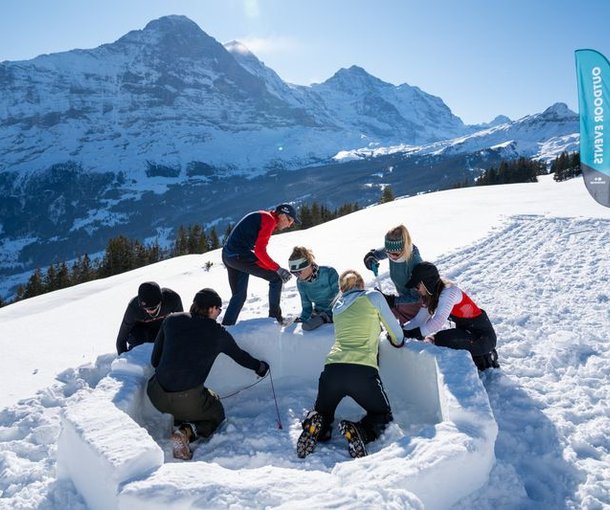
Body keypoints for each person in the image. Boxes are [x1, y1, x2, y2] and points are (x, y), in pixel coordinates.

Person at [147, 288, 270, 460]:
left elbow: (155, 361)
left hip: (155, 394)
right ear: (211, 309)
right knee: (216, 411)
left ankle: (179, 418)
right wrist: (260, 367)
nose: (219, 313)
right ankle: (185, 432)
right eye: (219, 309)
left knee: (191, 396)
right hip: (187, 400)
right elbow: (240, 356)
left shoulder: (171, 319)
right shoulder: (217, 333)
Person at [296, 270, 404, 459]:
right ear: (361, 284)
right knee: (381, 414)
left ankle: (317, 426)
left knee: (323, 412)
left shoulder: (337, 306)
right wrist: (397, 340)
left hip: (332, 370)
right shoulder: (373, 296)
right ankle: (360, 431)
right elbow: (397, 334)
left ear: (341, 289)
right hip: (362, 372)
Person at [402, 262, 499, 371]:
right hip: (467, 331)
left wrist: (415, 333)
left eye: (417, 285)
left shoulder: (449, 292)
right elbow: (420, 320)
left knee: (443, 339)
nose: (416, 289)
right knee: (439, 338)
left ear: (427, 282)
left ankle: (486, 355)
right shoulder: (430, 295)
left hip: (483, 337)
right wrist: (402, 330)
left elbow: (438, 322)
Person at [221, 203, 299, 326]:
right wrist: (278, 269)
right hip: (239, 255)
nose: (290, 225)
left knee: (239, 296)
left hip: (229, 255)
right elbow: (259, 251)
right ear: (283, 216)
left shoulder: (265, 217)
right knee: (276, 278)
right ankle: (276, 319)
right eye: (290, 221)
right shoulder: (269, 220)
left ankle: (226, 327)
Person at [363, 224, 423, 323]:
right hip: (403, 298)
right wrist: (370, 258)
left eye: (395, 254)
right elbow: (377, 254)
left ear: (405, 248)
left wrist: (391, 300)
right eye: (388, 253)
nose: (391, 256)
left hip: (416, 306)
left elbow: (416, 298)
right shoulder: (393, 249)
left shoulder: (415, 264)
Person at [116, 281, 183, 355]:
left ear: (161, 301)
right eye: (145, 308)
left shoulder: (172, 299)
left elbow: (181, 325)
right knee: (140, 349)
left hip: (160, 325)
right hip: (139, 330)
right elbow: (121, 340)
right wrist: (122, 359)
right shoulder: (133, 308)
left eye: (152, 308)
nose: (148, 311)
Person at [288, 246, 340, 331]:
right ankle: (322, 318)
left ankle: (325, 318)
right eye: (294, 274)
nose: (298, 276)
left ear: (308, 266)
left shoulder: (329, 272)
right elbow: (306, 306)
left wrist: (331, 314)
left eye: (298, 272)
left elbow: (339, 297)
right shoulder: (300, 283)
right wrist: (302, 319)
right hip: (318, 312)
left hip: (337, 310)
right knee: (308, 326)